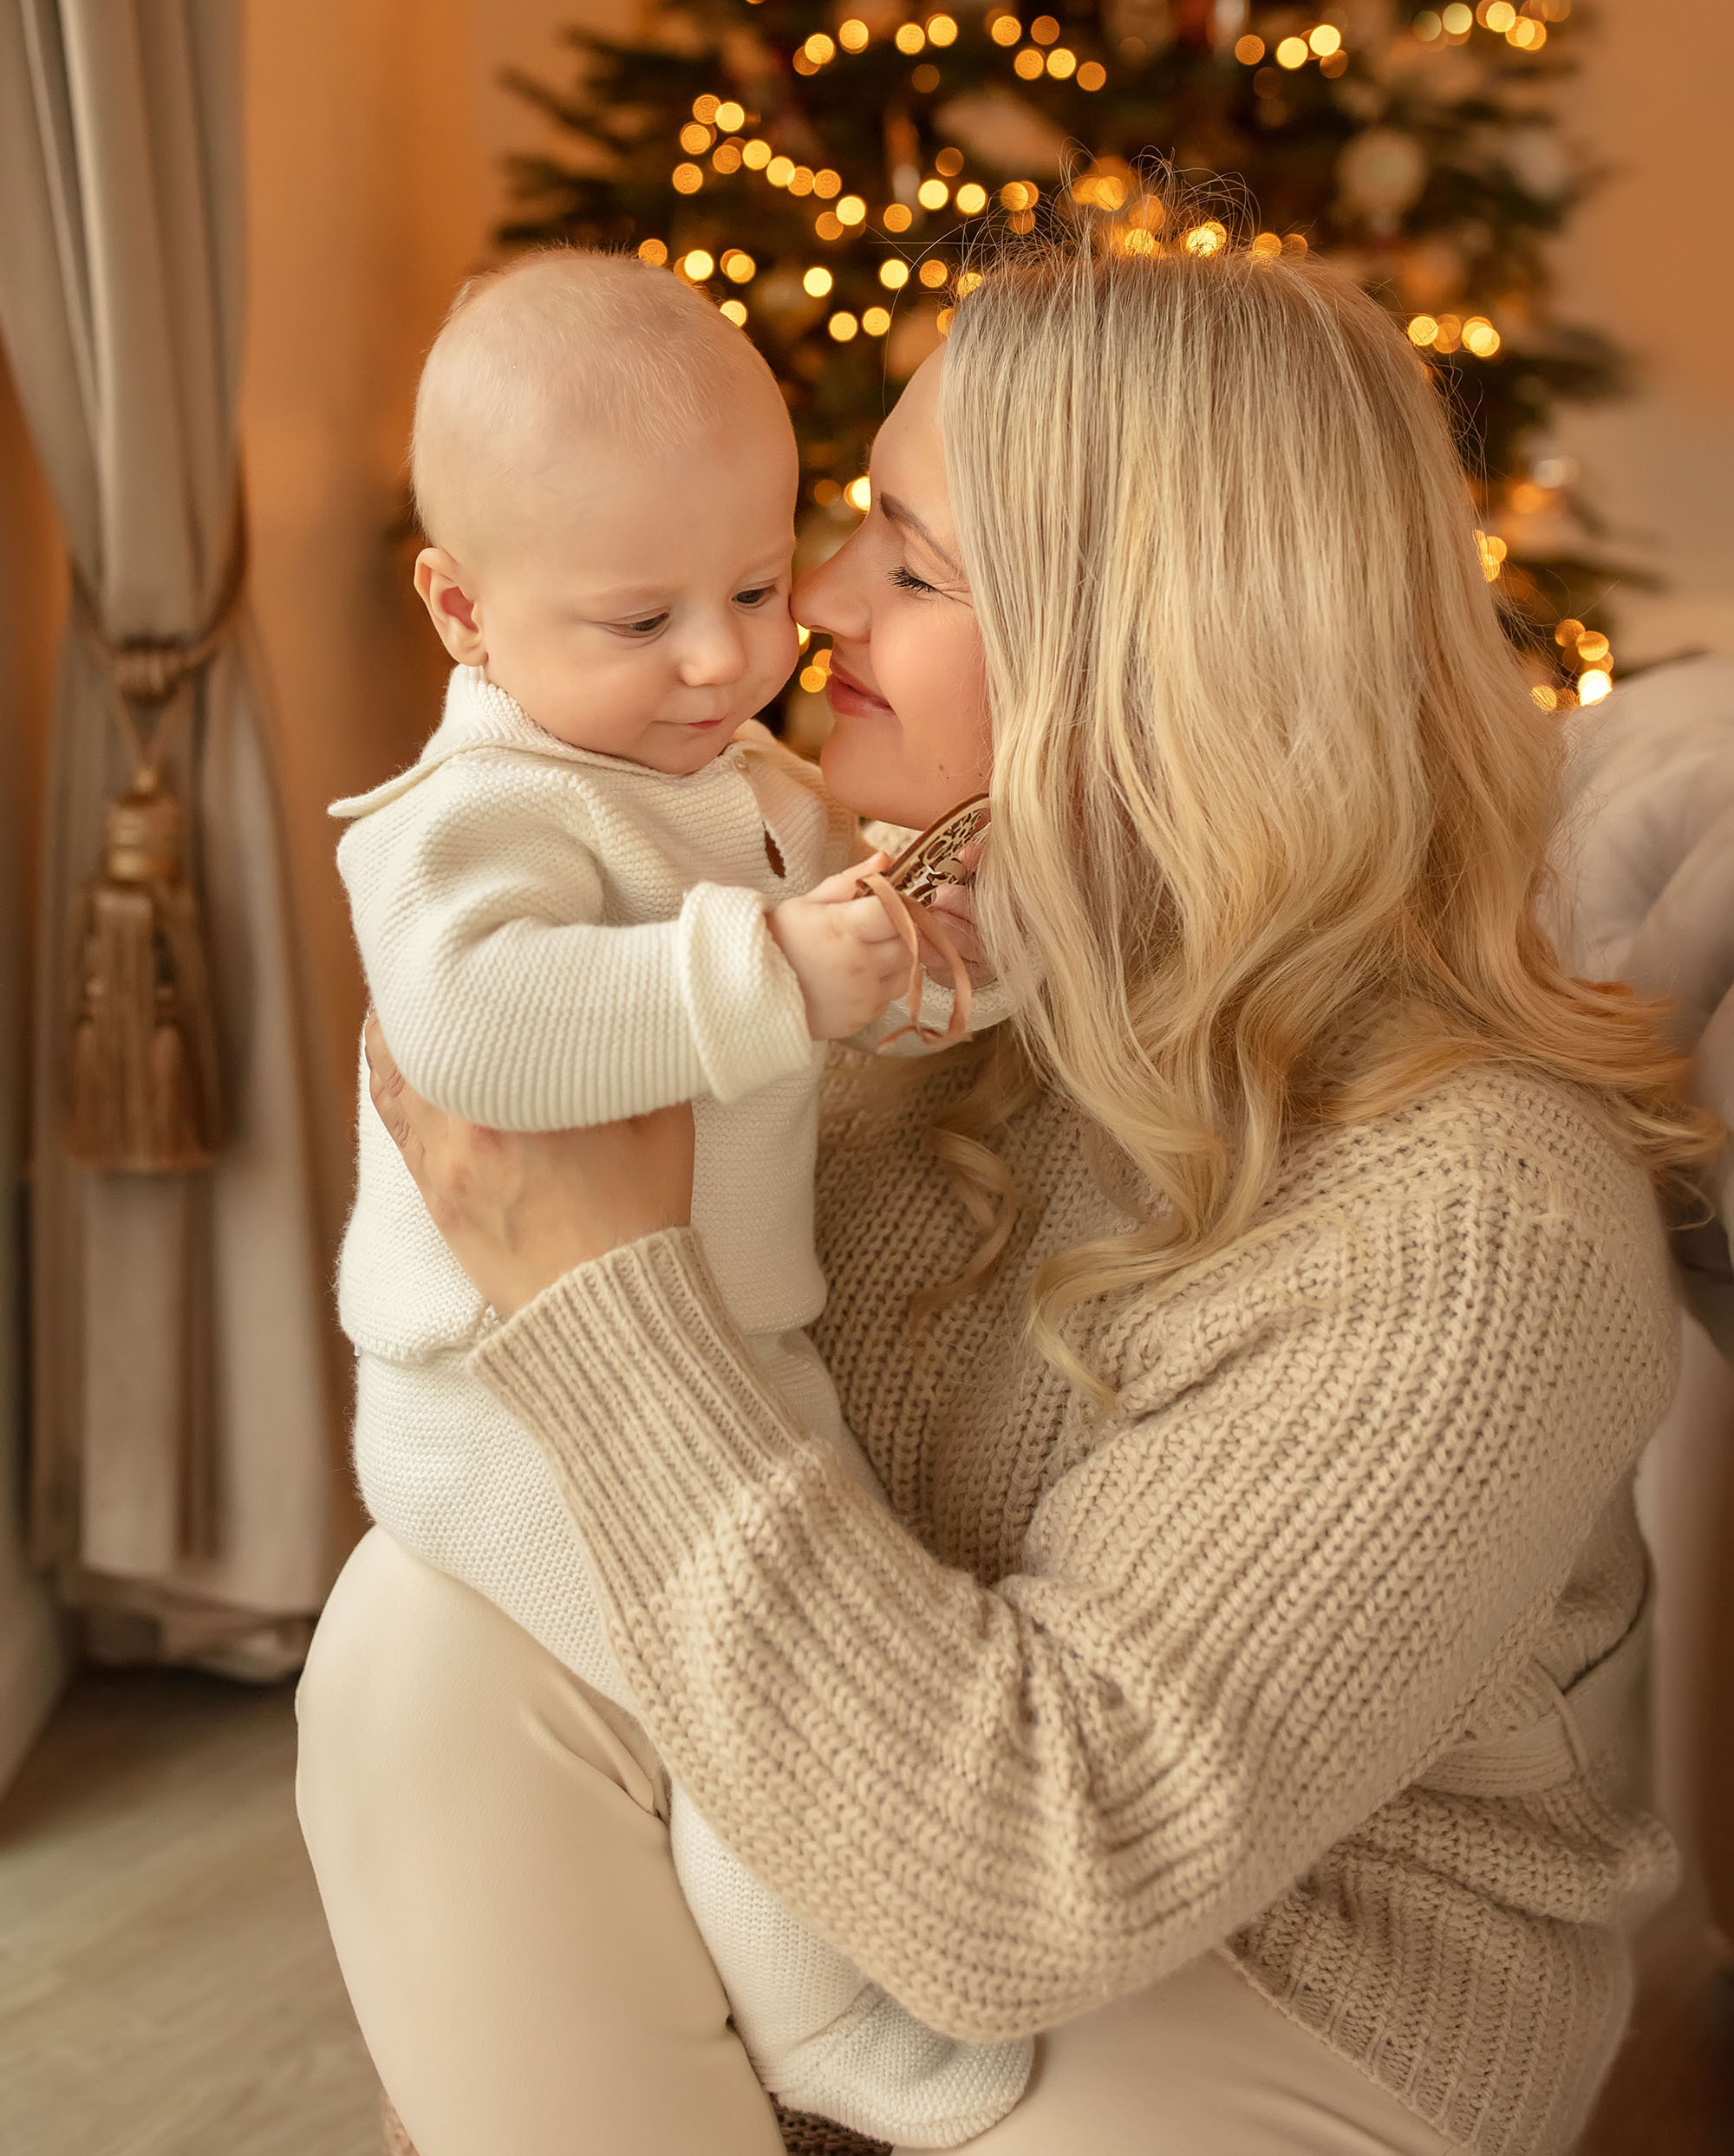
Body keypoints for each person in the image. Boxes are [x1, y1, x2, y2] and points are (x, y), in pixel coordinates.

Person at [298, 225, 1714, 2156]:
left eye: (906, 558)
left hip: (1269, 1995)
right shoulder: (879, 973)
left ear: (1145, 642)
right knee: (421, 1639)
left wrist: (592, 1289)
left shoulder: (1473, 1224)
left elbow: (1028, 1892)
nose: (800, 603)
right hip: (853, 1858)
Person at [324, 249, 1030, 2146]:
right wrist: (769, 978)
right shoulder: (472, 817)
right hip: (513, 1401)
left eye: (745, 586)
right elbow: (475, 1034)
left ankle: (826, 1976)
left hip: (727, 1344)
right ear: (463, 611)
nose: (726, 659)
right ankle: (825, 2030)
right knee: (726, 1691)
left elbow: (846, 987)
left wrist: (940, 966)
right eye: (640, 616)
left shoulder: (739, 780)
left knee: (828, 1631)